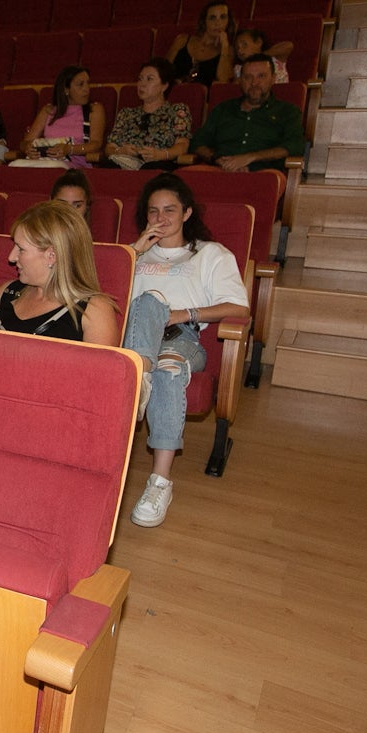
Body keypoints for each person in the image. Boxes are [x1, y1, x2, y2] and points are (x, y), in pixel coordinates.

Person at [123, 175, 250, 529]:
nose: (161, 218)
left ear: (187, 213)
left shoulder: (210, 254)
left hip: (182, 338)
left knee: (169, 366)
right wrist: (134, 253)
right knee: (147, 305)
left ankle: (159, 483)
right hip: (135, 335)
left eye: (170, 210)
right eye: (153, 212)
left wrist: (185, 313)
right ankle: (143, 374)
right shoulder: (133, 253)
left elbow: (239, 309)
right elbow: (103, 296)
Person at [0, 200, 118, 345]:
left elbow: (101, 367)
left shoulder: (93, 310)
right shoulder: (8, 292)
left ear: (52, 255)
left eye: (21, 249)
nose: (11, 258)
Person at [189, 55, 307, 173]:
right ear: (240, 80)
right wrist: (219, 160)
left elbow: (295, 146)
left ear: (273, 79)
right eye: (248, 77)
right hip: (220, 169)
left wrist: (250, 158)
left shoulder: (287, 111)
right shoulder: (223, 109)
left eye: (261, 76)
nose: (254, 83)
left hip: (264, 173)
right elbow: (198, 143)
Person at [104, 59, 193, 170]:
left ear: (164, 86)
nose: (142, 84)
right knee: (109, 166)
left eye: (149, 79)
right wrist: (120, 151)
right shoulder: (126, 113)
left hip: (159, 164)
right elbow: (109, 148)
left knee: (151, 168)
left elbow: (182, 145)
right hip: (125, 164)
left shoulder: (177, 111)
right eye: (140, 79)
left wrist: (161, 154)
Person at [21, 66, 106, 168]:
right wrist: (28, 148)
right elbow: (25, 142)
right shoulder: (48, 111)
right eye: (80, 85)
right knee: (15, 165)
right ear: (66, 89)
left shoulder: (94, 109)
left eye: (88, 83)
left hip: (76, 166)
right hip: (44, 161)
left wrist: (69, 149)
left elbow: (96, 144)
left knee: (51, 167)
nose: (86, 89)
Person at [165, 0, 236, 87]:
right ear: (204, 21)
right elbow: (163, 72)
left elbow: (223, 81)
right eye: (212, 18)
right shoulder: (182, 40)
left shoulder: (229, 50)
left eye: (223, 17)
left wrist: (225, 46)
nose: (218, 23)